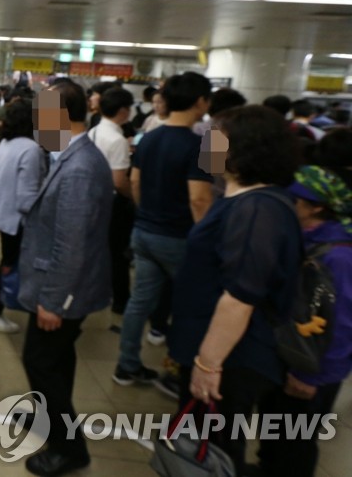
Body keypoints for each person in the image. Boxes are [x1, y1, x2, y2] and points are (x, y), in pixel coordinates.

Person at [169, 105, 302, 476]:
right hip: (218, 346)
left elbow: (241, 297)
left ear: (245, 150)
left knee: (214, 450)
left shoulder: (258, 209)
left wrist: (208, 364)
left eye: (216, 139)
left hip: (233, 356)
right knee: (204, 444)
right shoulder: (241, 198)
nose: (207, 146)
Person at [18, 79, 114, 476]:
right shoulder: (70, 156)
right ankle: (51, 418)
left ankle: (69, 448)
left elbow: (71, 245)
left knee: (39, 362)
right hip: (65, 285)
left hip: (63, 291)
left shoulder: (79, 170)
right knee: (57, 359)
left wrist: (54, 301)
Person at [114, 72, 214, 386]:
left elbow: (134, 182)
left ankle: (126, 365)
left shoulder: (149, 137)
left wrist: (147, 213)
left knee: (139, 302)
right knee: (188, 305)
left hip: (144, 231)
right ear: (201, 101)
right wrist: (209, 240)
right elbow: (199, 198)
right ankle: (176, 371)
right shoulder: (201, 145)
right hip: (179, 237)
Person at [258, 165, 352, 477]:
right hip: (290, 353)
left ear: (317, 208)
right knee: (276, 430)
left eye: (295, 200)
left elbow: (342, 324)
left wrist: (311, 376)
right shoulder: (303, 238)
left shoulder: (339, 256)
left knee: (296, 441)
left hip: (315, 368)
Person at [0, 101, 45, 332]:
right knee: (12, 263)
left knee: (9, 259)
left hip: (1, 212)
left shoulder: (6, 143)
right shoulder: (31, 149)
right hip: (16, 220)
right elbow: (26, 198)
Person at [87, 87, 135, 316]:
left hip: (93, 198)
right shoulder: (117, 140)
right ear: (123, 111)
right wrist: (134, 197)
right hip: (113, 204)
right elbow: (119, 181)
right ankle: (120, 300)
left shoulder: (94, 131)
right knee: (118, 253)